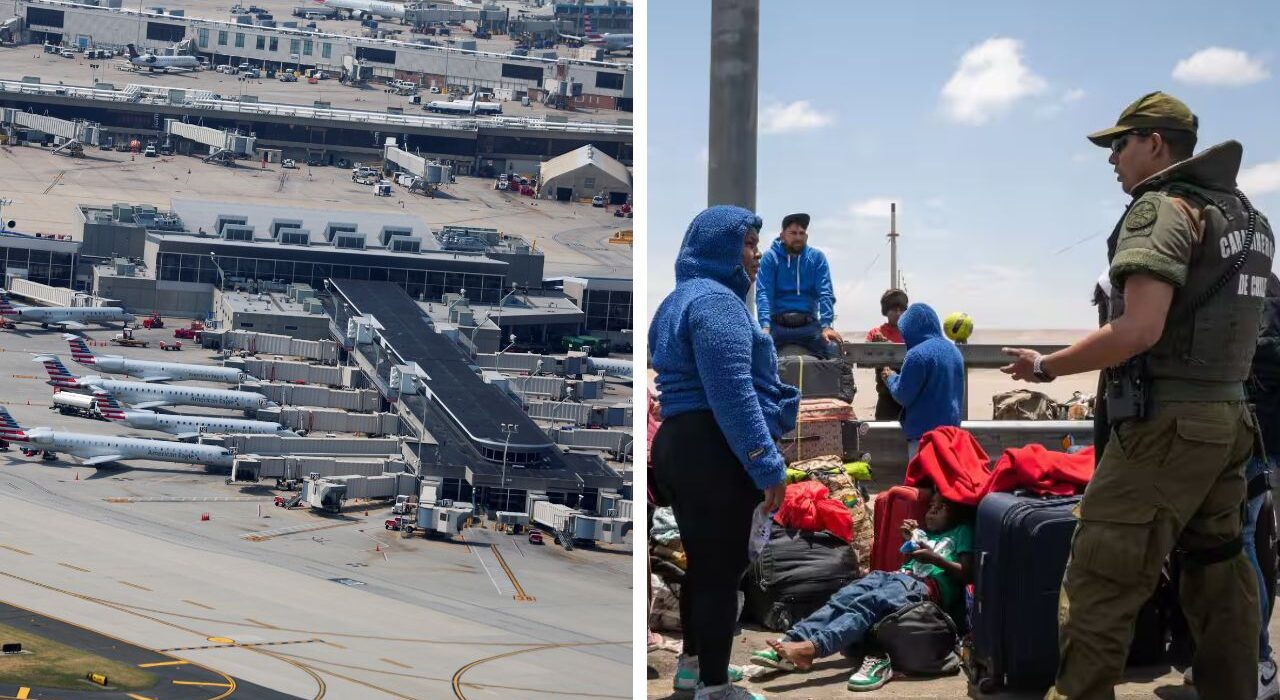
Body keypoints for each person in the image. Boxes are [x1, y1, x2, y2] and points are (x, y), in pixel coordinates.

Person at [1001, 91, 1273, 700]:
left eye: (1120, 144)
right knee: (1220, 572)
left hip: (1165, 431)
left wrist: (1045, 366)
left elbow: (1139, 329)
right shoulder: (1248, 218)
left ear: (1155, 144)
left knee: (1100, 577)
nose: (1113, 158)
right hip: (1227, 422)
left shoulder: (1162, 209)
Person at [650, 205, 801, 700]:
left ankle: (694, 669)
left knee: (704, 565)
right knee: (723, 572)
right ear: (720, 248)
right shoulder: (718, 304)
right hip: (715, 448)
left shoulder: (677, 300)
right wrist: (767, 464)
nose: (757, 256)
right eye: (749, 245)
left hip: (680, 442)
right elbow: (732, 392)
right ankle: (716, 688)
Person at [748, 490, 973, 692]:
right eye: (931, 505)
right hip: (897, 576)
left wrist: (934, 557)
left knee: (870, 603)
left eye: (941, 507)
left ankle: (811, 650)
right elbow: (912, 562)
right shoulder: (924, 534)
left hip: (925, 585)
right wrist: (911, 542)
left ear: (957, 513)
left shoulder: (962, 532)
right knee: (845, 596)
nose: (932, 510)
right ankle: (794, 638)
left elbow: (965, 573)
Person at [881, 303, 965, 459]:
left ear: (910, 329)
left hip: (924, 438)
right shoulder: (955, 352)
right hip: (952, 434)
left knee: (921, 482)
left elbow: (903, 395)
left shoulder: (916, 355)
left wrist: (890, 378)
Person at [756, 213, 843, 358]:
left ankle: (844, 382)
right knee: (757, 351)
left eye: (801, 233)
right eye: (793, 233)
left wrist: (826, 325)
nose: (798, 237)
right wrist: (765, 326)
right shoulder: (770, 258)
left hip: (808, 326)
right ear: (782, 235)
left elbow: (825, 292)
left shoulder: (816, 258)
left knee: (833, 348)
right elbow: (763, 293)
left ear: (806, 237)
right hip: (778, 326)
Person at [867, 289, 909, 420]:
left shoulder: (911, 332)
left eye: (901, 310)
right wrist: (876, 346)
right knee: (883, 435)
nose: (898, 313)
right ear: (886, 311)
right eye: (893, 310)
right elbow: (865, 356)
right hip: (886, 396)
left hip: (910, 394)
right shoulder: (876, 333)